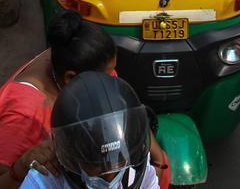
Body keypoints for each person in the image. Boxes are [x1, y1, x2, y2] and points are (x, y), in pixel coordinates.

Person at [0, 12, 120, 189]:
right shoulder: (25, 115)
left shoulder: (66, 55)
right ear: (70, 78)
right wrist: (20, 168)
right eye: (106, 78)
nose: (111, 81)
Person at [21, 72, 161, 189]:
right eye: (97, 169)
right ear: (73, 158)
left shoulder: (140, 173)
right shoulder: (44, 181)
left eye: (119, 162)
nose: (109, 179)